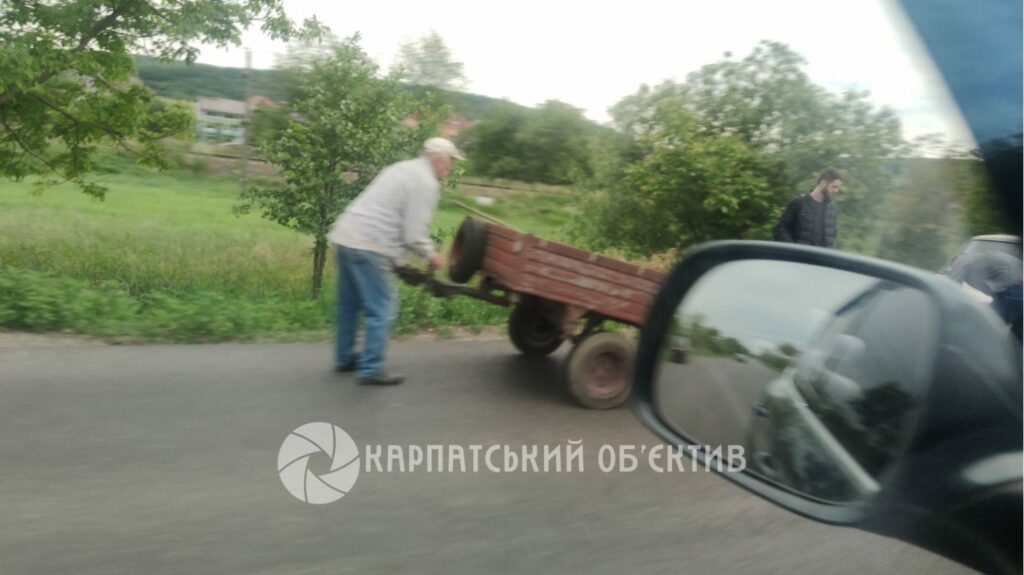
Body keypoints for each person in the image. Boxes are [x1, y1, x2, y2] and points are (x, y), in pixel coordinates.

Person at [327, 137, 464, 385]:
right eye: (451, 162)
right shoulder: (425, 182)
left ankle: (344, 357)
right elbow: (413, 233)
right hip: (371, 244)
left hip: (345, 236)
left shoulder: (401, 168)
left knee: (348, 305)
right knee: (383, 308)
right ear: (439, 159)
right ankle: (371, 368)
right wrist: (430, 254)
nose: (451, 168)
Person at [773, 168, 843, 248]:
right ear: (823, 183)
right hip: (799, 258)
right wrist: (793, 249)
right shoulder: (799, 203)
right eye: (834, 187)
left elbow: (832, 236)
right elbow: (780, 228)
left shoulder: (832, 208)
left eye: (838, 188)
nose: (836, 190)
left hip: (821, 259)